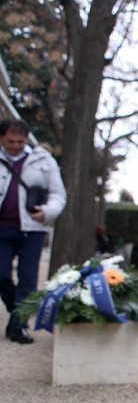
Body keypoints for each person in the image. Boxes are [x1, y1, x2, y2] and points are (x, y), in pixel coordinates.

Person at [0, 118, 66, 344]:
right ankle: (17, 314)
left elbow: (58, 194)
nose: (16, 145)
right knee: (1, 275)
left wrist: (47, 212)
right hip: (2, 229)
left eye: (21, 141)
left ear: (27, 139)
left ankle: (18, 326)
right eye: (11, 141)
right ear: (2, 138)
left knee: (28, 279)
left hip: (32, 229)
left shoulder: (43, 160)